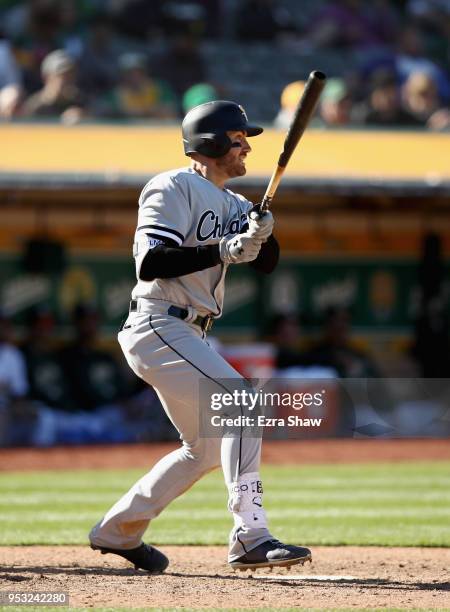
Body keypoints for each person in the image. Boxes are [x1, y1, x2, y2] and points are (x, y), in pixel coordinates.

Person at [89, 100, 311, 573]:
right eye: (237, 138)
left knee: (204, 449)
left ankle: (118, 531)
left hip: (188, 331)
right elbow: (152, 261)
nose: (246, 146)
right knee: (243, 403)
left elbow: (266, 262)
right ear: (210, 144)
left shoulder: (235, 203)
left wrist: (262, 235)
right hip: (158, 322)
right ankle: (251, 535)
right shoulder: (172, 186)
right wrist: (225, 249)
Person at [20, 48, 86, 124]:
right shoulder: (33, 108)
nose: (68, 80)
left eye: (71, 75)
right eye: (63, 76)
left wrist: (84, 117)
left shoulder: (79, 101)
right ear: (46, 77)